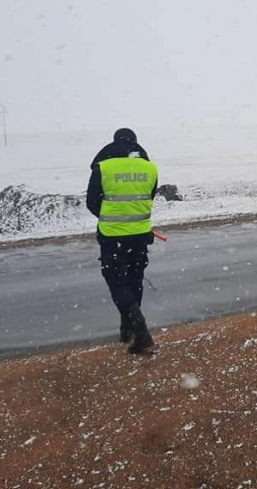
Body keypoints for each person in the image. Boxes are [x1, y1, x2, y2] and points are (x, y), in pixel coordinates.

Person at [86, 128, 158, 354]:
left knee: (117, 282)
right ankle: (128, 328)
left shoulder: (104, 167)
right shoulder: (150, 168)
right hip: (140, 234)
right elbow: (149, 197)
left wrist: (111, 218)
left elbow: (91, 202)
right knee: (135, 280)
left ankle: (139, 330)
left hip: (112, 236)